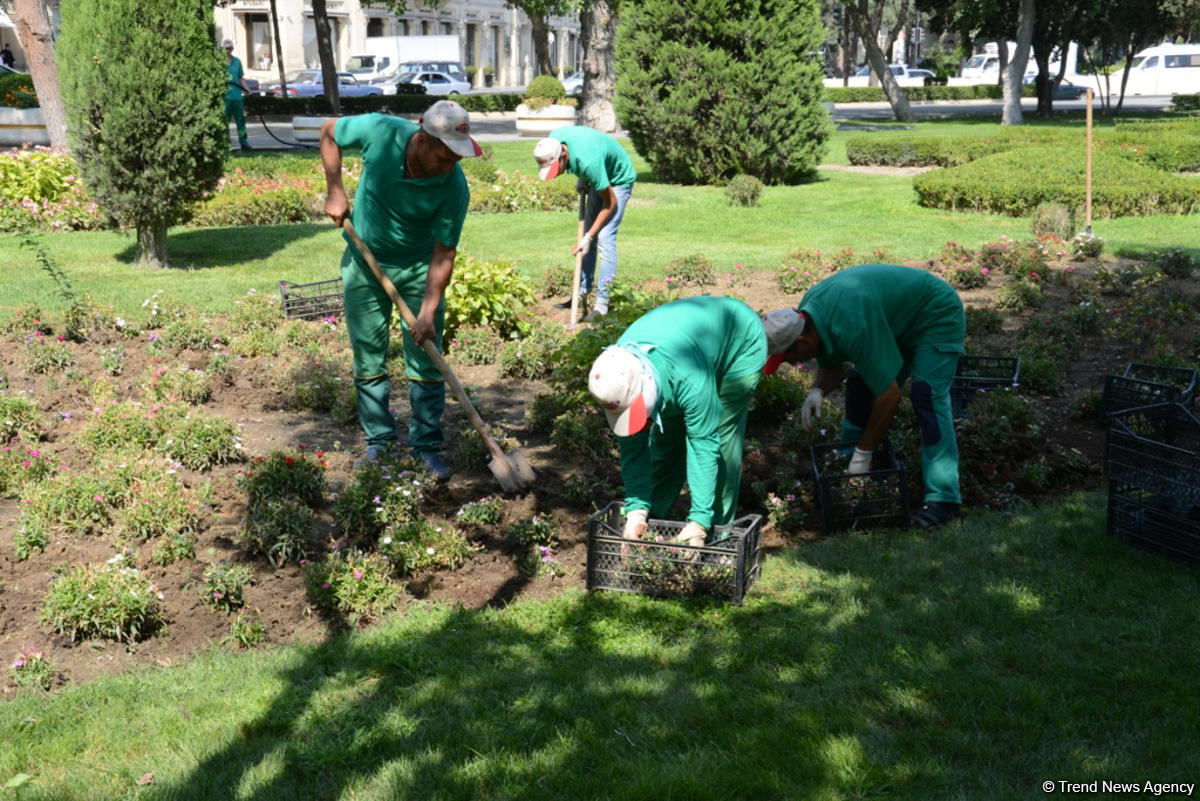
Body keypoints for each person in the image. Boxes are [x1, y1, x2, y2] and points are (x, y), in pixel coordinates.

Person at [321, 100, 482, 479]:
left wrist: (427, 310)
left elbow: (444, 252)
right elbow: (329, 131)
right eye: (446, 157)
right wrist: (335, 189)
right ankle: (379, 443)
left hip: (418, 269)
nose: (452, 165)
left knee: (426, 358)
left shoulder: (454, 188)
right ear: (424, 140)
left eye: (458, 158)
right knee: (368, 355)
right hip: (365, 263)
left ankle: (426, 448)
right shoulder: (381, 132)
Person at [766, 263, 966, 528]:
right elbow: (831, 362)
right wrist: (817, 390)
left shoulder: (851, 325)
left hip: (934, 313)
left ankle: (944, 500)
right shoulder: (808, 315)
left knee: (926, 396)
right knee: (860, 384)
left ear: (802, 343)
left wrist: (865, 451)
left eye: (787, 359)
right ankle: (851, 473)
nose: (790, 365)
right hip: (895, 321)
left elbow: (889, 397)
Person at [587, 296, 768, 545]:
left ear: (647, 387)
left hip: (740, 339)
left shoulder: (687, 378)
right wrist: (636, 509)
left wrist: (699, 521)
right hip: (691, 346)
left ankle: (718, 535)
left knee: (722, 441)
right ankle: (655, 521)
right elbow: (633, 450)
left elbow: (704, 445)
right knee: (667, 443)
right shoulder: (616, 373)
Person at [533, 126, 635, 321]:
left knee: (603, 237)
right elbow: (583, 143)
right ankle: (581, 292)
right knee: (587, 234)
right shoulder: (553, 139)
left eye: (557, 168)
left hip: (618, 178)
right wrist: (582, 177)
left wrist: (589, 237)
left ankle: (602, 305)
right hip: (598, 172)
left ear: (563, 156)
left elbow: (611, 203)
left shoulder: (589, 163)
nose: (557, 173)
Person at [222, 39, 251, 151]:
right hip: (225, 97)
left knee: (241, 121)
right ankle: (225, 144)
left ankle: (244, 143)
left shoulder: (237, 62)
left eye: (229, 48)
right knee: (225, 122)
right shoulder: (219, 62)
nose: (227, 51)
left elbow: (240, 78)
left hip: (237, 97)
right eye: (225, 48)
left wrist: (247, 89)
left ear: (232, 48)